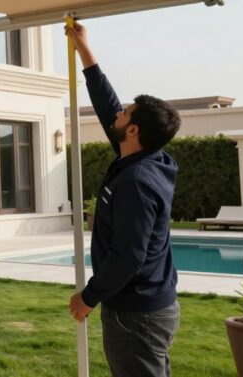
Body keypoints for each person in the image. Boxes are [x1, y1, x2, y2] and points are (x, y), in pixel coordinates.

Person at [66, 23, 182, 377]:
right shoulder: (149, 158)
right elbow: (108, 107)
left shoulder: (136, 182)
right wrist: (84, 50)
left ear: (133, 130)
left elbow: (129, 254)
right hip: (148, 309)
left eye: (125, 113)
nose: (117, 114)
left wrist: (88, 297)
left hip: (136, 316)